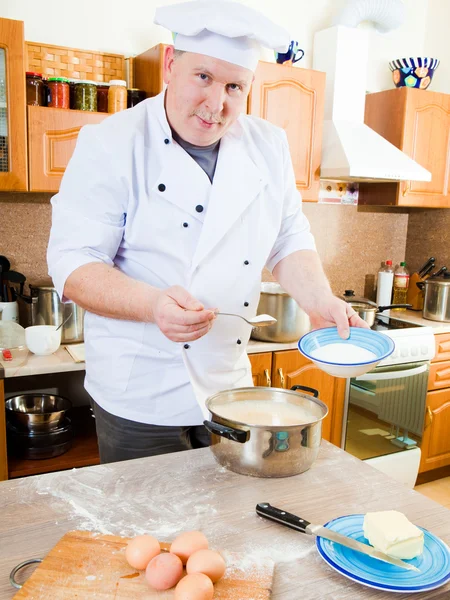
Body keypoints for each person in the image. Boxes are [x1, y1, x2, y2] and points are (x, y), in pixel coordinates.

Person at [47, 0, 367, 464]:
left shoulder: (268, 146)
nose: (216, 105)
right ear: (172, 66)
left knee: (226, 525)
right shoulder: (111, 144)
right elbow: (74, 265)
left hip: (229, 391)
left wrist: (319, 301)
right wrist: (152, 304)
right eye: (204, 78)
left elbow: (288, 238)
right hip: (139, 393)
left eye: (234, 86)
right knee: (151, 529)